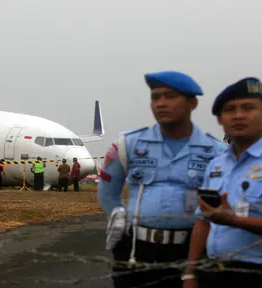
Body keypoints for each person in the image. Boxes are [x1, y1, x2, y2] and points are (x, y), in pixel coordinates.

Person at [97, 71, 226, 288]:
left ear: (192, 103)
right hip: (137, 250)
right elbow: (107, 192)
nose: (161, 103)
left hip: (191, 250)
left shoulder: (216, 151)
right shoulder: (128, 144)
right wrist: (118, 217)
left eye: (170, 96)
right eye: (155, 97)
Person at [183, 77, 262, 288]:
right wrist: (190, 273)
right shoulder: (216, 165)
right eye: (229, 110)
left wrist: (235, 221)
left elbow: (225, 219)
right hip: (214, 272)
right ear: (220, 120)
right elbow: (203, 220)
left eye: (248, 108)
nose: (238, 116)